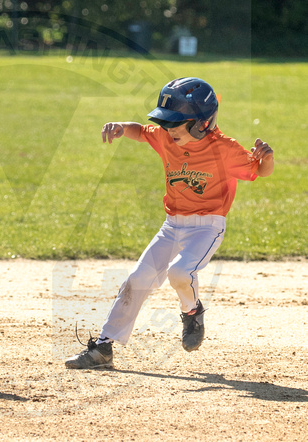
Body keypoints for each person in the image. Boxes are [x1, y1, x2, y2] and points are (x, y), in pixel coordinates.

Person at [65, 77, 274, 369]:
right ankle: (103, 348)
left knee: (180, 271)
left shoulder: (224, 149)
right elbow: (140, 131)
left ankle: (192, 314)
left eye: (176, 122)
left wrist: (267, 158)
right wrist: (121, 128)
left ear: (202, 123)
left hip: (207, 226)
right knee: (136, 281)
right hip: (172, 225)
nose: (168, 128)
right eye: (166, 122)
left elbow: (259, 171)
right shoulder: (166, 138)